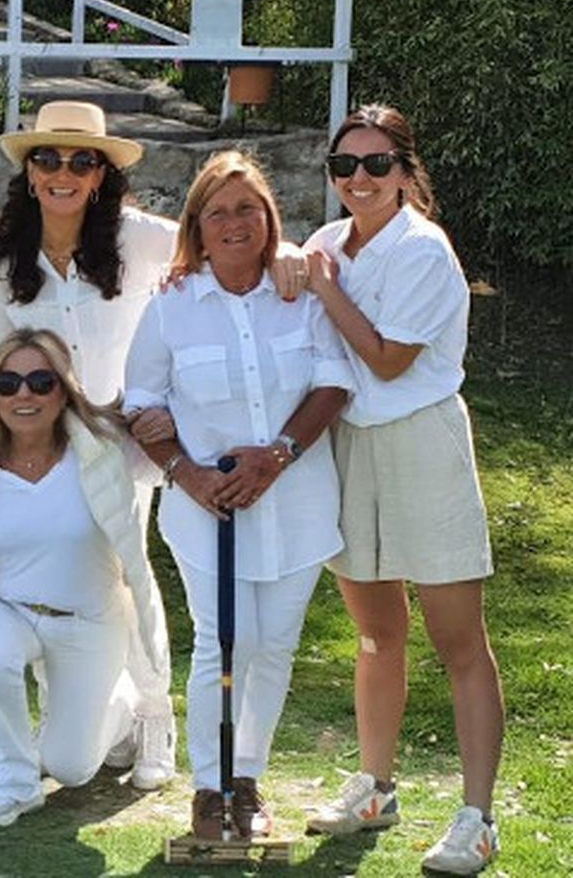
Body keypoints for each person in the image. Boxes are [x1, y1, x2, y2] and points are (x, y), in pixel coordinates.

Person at [287, 105, 501, 875]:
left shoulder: (423, 249)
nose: (359, 180)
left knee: (458, 642)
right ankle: (376, 787)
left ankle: (477, 818)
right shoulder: (322, 243)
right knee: (377, 634)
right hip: (349, 446)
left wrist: (322, 285)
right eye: (344, 166)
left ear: (408, 173)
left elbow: (385, 361)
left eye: (377, 164)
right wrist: (298, 273)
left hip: (422, 445)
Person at [124, 149, 353, 840]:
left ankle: (247, 779)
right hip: (207, 509)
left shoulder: (299, 294)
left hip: (298, 502)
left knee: (275, 645)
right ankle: (206, 787)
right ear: (195, 226)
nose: (233, 223)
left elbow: (334, 382)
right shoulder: (168, 306)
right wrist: (185, 472)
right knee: (226, 642)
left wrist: (279, 454)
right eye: (216, 212)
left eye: (247, 209)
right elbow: (141, 400)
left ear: (269, 218)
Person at [0, 101, 179, 789]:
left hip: (121, 445)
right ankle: (92, 714)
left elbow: (232, 241)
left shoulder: (143, 239)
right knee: (45, 576)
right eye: (48, 159)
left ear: (101, 175)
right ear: (29, 172)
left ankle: (155, 723)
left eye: (81, 160)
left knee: (128, 576)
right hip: (43, 446)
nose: (63, 173)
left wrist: (296, 265)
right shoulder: (5, 258)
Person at [0, 329, 166, 828]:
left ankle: (125, 708)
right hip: (10, 608)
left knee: (70, 766)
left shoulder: (105, 450)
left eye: (41, 381)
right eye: (9, 383)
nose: (24, 395)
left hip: (88, 617)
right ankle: (14, 783)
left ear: (64, 390)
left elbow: (172, 445)